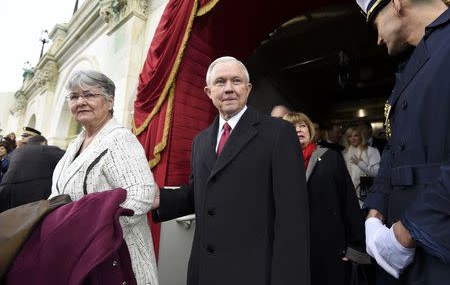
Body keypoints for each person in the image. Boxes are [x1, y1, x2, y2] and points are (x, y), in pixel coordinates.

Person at [152, 56, 310, 285]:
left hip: (254, 271)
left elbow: (292, 216)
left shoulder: (278, 132)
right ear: (208, 91)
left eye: (236, 81)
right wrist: (161, 198)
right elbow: (202, 194)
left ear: (248, 88)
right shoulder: (200, 141)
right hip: (205, 271)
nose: (228, 89)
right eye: (220, 82)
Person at [356, 0, 450, 283]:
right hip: (406, 252)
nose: (378, 37)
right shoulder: (411, 66)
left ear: (396, 5)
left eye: (377, 23)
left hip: (435, 244)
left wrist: (407, 232)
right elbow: (394, 149)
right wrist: (374, 215)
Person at [48, 70, 158, 284]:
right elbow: (58, 194)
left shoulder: (120, 139)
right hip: (76, 254)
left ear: (109, 102)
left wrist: (93, 231)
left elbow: (141, 195)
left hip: (114, 258)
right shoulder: (74, 145)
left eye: (89, 95)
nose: (80, 101)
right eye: (74, 96)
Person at [283, 112, 367, 285]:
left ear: (310, 130)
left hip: (330, 246)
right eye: (292, 127)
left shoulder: (330, 158)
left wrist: (355, 247)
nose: (298, 129)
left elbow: (348, 202)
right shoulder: (280, 164)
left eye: (302, 125)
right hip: (295, 250)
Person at [0, 135, 64, 212]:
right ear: (44, 142)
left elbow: (5, 166)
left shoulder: (16, 151)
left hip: (5, 189)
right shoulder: (48, 149)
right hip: (31, 194)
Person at [342, 126, 381, 207]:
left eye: (356, 135)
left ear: (361, 136)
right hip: (349, 196)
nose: (353, 138)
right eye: (350, 136)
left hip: (368, 194)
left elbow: (377, 173)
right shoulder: (344, 154)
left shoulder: (371, 151)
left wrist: (361, 164)